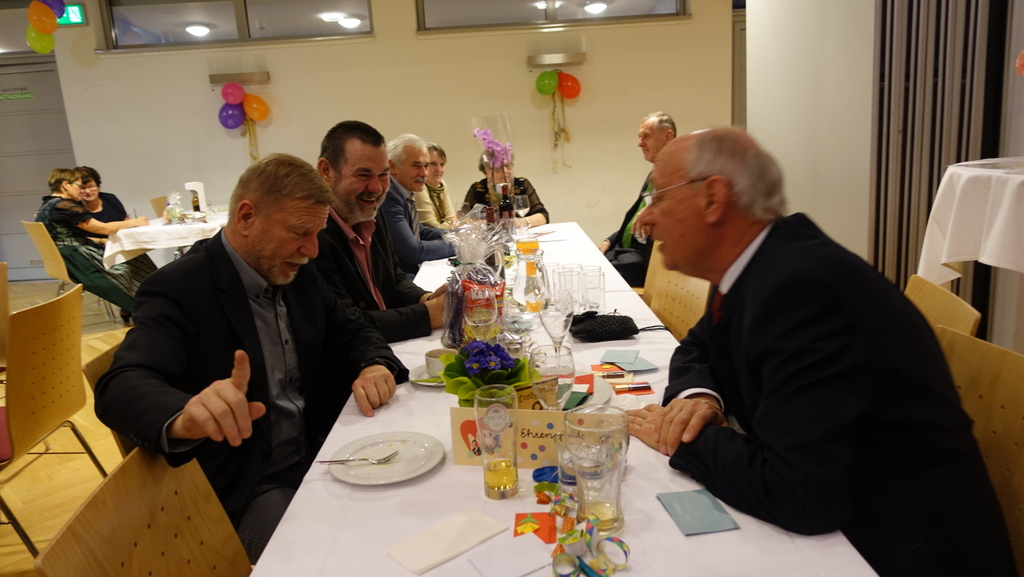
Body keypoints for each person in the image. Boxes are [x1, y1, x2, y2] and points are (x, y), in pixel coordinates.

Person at [627, 128, 1016, 576]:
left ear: (713, 198)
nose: (646, 220)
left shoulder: (803, 290)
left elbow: (801, 495)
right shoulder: (756, 260)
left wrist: (683, 438)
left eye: (658, 198)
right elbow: (701, 344)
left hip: (908, 549)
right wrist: (699, 397)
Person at [94, 153, 406, 563]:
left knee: (407, 512)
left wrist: (373, 364)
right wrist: (186, 414)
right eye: (300, 232)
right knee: (360, 557)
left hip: (322, 455)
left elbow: (354, 329)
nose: (312, 249)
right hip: (249, 488)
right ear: (246, 217)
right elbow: (120, 385)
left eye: (317, 233)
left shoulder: (298, 272)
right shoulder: (180, 287)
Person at [313, 121, 447, 343]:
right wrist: (428, 314)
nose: (377, 188)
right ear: (326, 171)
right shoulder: (312, 235)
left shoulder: (371, 214)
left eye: (383, 175)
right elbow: (344, 325)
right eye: (363, 175)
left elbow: (394, 277)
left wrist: (427, 298)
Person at [36, 168, 154, 321]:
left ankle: (145, 306)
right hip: (75, 257)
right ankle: (147, 308)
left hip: (68, 254)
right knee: (127, 264)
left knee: (133, 257)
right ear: (66, 185)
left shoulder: (47, 205)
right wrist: (135, 222)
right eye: (79, 186)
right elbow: (103, 228)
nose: (81, 191)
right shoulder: (64, 206)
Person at [597, 112, 675, 287]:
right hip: (625, 249)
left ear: (667, 136)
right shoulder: (653, 175)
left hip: (646, 259)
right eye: (639, 137)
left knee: (593, 276)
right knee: (587, 261)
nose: (640, 143)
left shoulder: (682, 176)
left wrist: (655, 212)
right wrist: (610, 240)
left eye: (646, 136)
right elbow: (634, 217)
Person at [380, 134, 455, 276]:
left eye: (426, 166)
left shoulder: (403, 191)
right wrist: (459, 245)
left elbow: (420, 231)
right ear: (392, 166)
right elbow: (413, 251)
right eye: (416, 165)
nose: (424, 173)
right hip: (400, 279)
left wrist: (455, 235)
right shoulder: (388, 196)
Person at [461, 153, 548, 227]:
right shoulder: (478, 188)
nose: (505, 171)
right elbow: (463, 219)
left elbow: (543, 216)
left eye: (508, 166)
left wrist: (523, 222)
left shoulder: (521, 184)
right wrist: (490, 224)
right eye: (498, 168)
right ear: (486, 173)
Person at [75, 165, 129, 236]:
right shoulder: (74, 207)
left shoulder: (110, 198)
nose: (88, 191)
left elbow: (125, 221)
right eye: (83, 188)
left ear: (98, 186)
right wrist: (102, 240)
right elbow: (79, 237)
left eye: (91, 186)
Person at [414, 142, 457, 229]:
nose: (439, 170)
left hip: (445, 233)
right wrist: (452, 227)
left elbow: (452, 217)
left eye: (442, 164)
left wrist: (451, 225)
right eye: (433, 164)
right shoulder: (419, 187)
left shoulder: (442, 184)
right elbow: (431, 226)